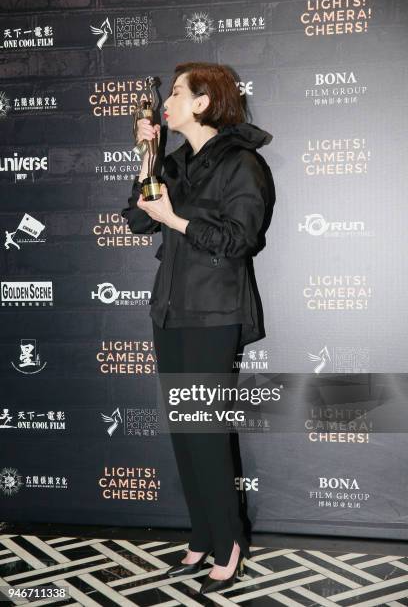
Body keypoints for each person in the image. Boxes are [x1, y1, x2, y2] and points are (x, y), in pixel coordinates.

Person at [121, 62, 275, 594]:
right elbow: (139, 216)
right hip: (170, 310)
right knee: (185, 434)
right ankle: (201, 535)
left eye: (179, 92)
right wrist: (148, 155)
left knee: (205, 432)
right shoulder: (178, 162)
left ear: (204, 102)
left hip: (215, 313)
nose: (168, 100)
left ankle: (229, 541)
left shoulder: (244, 164)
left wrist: (178, 221)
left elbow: (240, 239)